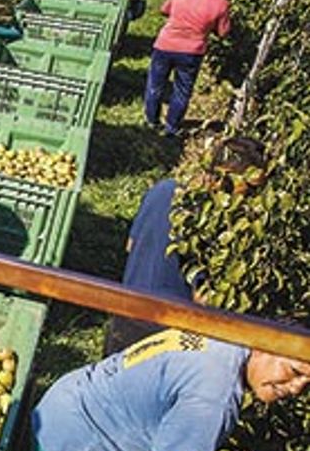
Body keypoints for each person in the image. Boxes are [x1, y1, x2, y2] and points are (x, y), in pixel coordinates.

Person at [32, 327, 310, 451]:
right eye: (294, 371)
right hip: (80, 445)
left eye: (306, 383)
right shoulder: (215, 396)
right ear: (265, 347)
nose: (296, 388)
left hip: (68, 403)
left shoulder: (225, 337)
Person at [104, 136, 267, 354]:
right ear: (230, 177)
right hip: (168, 331)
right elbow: (203, 298)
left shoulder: (163, 189)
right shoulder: (216, 222)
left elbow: (130, 245)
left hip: (125, 313)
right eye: (249, 187)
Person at [145, 0, 232, 137]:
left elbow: (164, 10)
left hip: (165, 45)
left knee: (155, 85)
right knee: (182, 90)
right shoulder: (221, 4)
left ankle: (152, 121)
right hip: (191, 52)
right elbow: (223, 32)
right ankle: (171, 127)